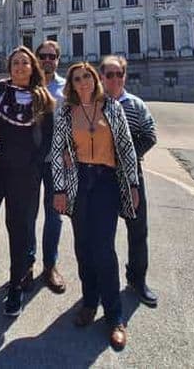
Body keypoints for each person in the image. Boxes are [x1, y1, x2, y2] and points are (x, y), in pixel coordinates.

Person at [51, 62, 139, 351]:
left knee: (104, 249)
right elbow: (57, 151)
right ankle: (90, 302)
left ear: (95, 79)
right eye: (77, 78)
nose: (83, 82)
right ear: (72, 84)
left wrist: (133, 186)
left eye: (87, 77)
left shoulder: (112, 107)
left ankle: (114, 316)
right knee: (83, 247)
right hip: (79, 181)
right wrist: (59, 188)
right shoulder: (65, 112)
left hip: (105, 182)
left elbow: (126, 149)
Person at [0, 46, 55, 317]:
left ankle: (16, 287)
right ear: (9, 68)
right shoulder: (0, 90)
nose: (20, 67)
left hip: (25, 175)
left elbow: (48, 139)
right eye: (15, 63)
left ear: (33, 67)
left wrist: (33, 169)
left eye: (24, 62)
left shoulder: (42, 97)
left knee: (19, 231)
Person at [99, 56, 158, 307]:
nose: (114, 79)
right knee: (103, 235)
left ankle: (137, 279)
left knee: (138, 231)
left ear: (124, 76)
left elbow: (150, 135)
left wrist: (125, 157)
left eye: (118, 74)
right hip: (102, 178)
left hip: (132, 175)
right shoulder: (93, 105)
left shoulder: (136, 104)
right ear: (101, 77)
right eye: (109, 74)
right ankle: (103, 283)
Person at [30, 40, 67, 293]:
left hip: (56, 161)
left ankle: (50, 265)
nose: (47, 60)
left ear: (58, 59)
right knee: (27, 214)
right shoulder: (26, 85)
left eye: (51, 56)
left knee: (54, 215)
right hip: (30, 160)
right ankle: (27, 263)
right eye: (42, 55)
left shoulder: (68, 88)